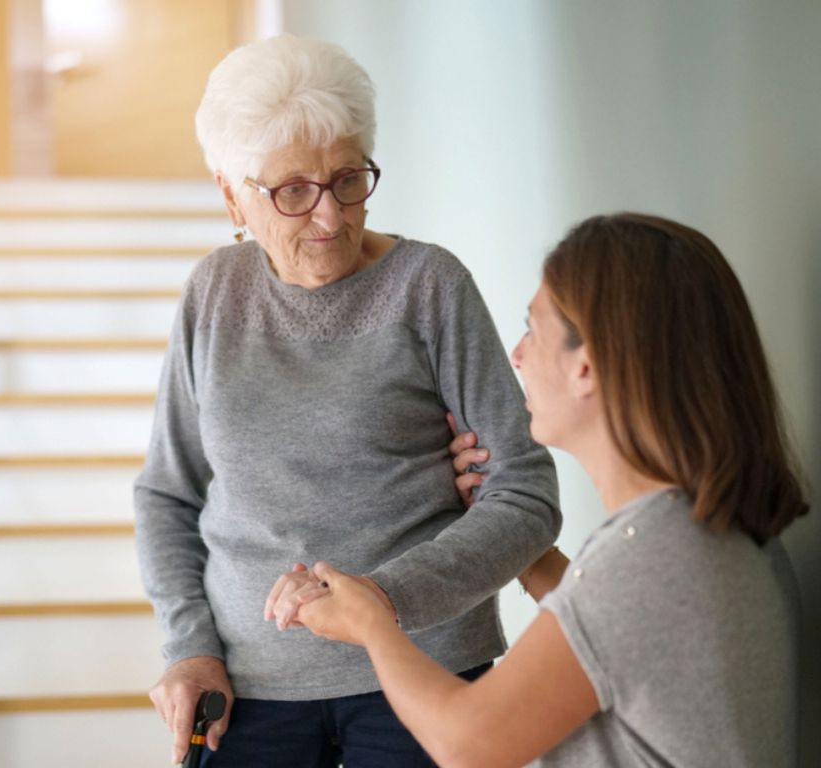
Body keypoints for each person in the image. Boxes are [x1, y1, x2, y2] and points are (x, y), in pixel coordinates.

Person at [133, 34, 561, 766]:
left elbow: (525, 494)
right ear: (231, 193)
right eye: (292, 192)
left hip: (424, 668)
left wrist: (378, 603)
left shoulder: (429, 286)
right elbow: (167, 495)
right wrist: (189, 649)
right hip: (249, 684)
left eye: (349, 179)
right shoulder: (214, 293)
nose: (330, 218)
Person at [294, 213, 809, 767]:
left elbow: (467, 743)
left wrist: (372, 621)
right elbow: (615, 641)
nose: (517, 354)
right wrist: (528, 552)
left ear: (586, 366)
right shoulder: (704, 533)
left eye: (533, 329)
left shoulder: (650, 560)